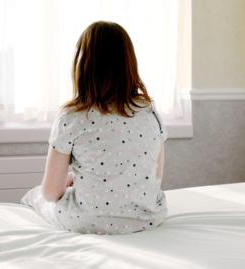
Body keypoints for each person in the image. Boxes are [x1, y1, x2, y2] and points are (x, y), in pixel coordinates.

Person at [21, 21, 168, 235]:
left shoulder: (72, 117)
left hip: (87, 221)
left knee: (35, 196)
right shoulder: (150, 112)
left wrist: (70, 181)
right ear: (129, 64)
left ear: (83, 65)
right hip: (146, 218)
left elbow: (52, 192)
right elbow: (155, 177)